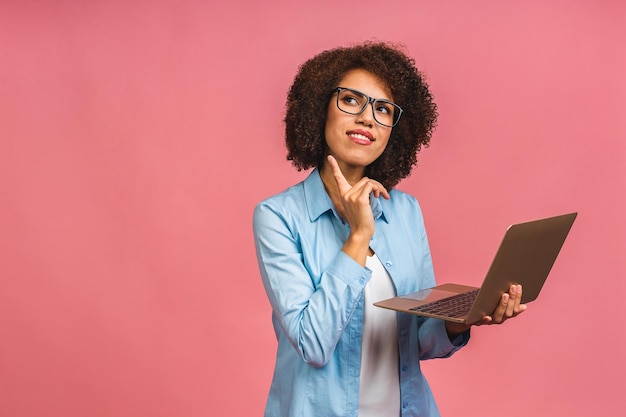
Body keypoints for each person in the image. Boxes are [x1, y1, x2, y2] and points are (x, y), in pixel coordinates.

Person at [252, 41, 526, 417]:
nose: (367, 118)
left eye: (382, 109)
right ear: (320, 109)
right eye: (351, 101)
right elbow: (311, 344)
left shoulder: (406, 211)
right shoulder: (278, 216)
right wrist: (359, 235)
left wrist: (461, 323)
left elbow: (418, 341)